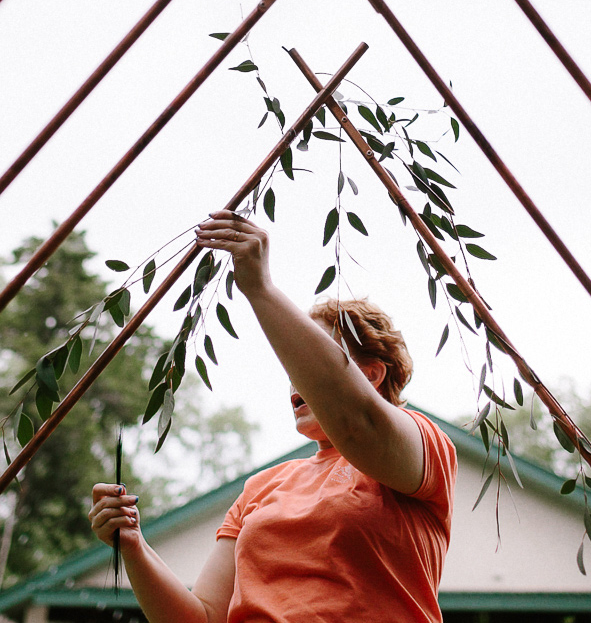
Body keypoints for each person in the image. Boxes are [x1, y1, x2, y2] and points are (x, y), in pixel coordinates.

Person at [89, 210, 457, 622]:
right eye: (291, 367)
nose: (296, 379)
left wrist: (260, 289)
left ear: (371, 374)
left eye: (308, 362)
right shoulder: (261, 488)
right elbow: (203, 618)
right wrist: (134, 545)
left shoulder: (426, 447)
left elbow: (360, 425)